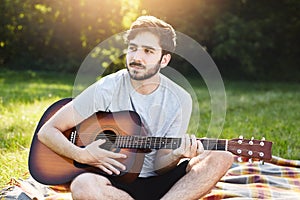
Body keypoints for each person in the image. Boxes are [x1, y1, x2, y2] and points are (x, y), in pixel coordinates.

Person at [38, 15, 233, 200]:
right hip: (113, 181)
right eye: (133, 48)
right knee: (82, 185)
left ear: (164, 60)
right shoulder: (108, 87)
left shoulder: (180, 98)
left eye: (148, 51)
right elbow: (47, 131)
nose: (136, 57)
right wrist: (82, 155)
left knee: (221, 157)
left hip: (162, 184)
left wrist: (175, 154)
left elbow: (160, 165)